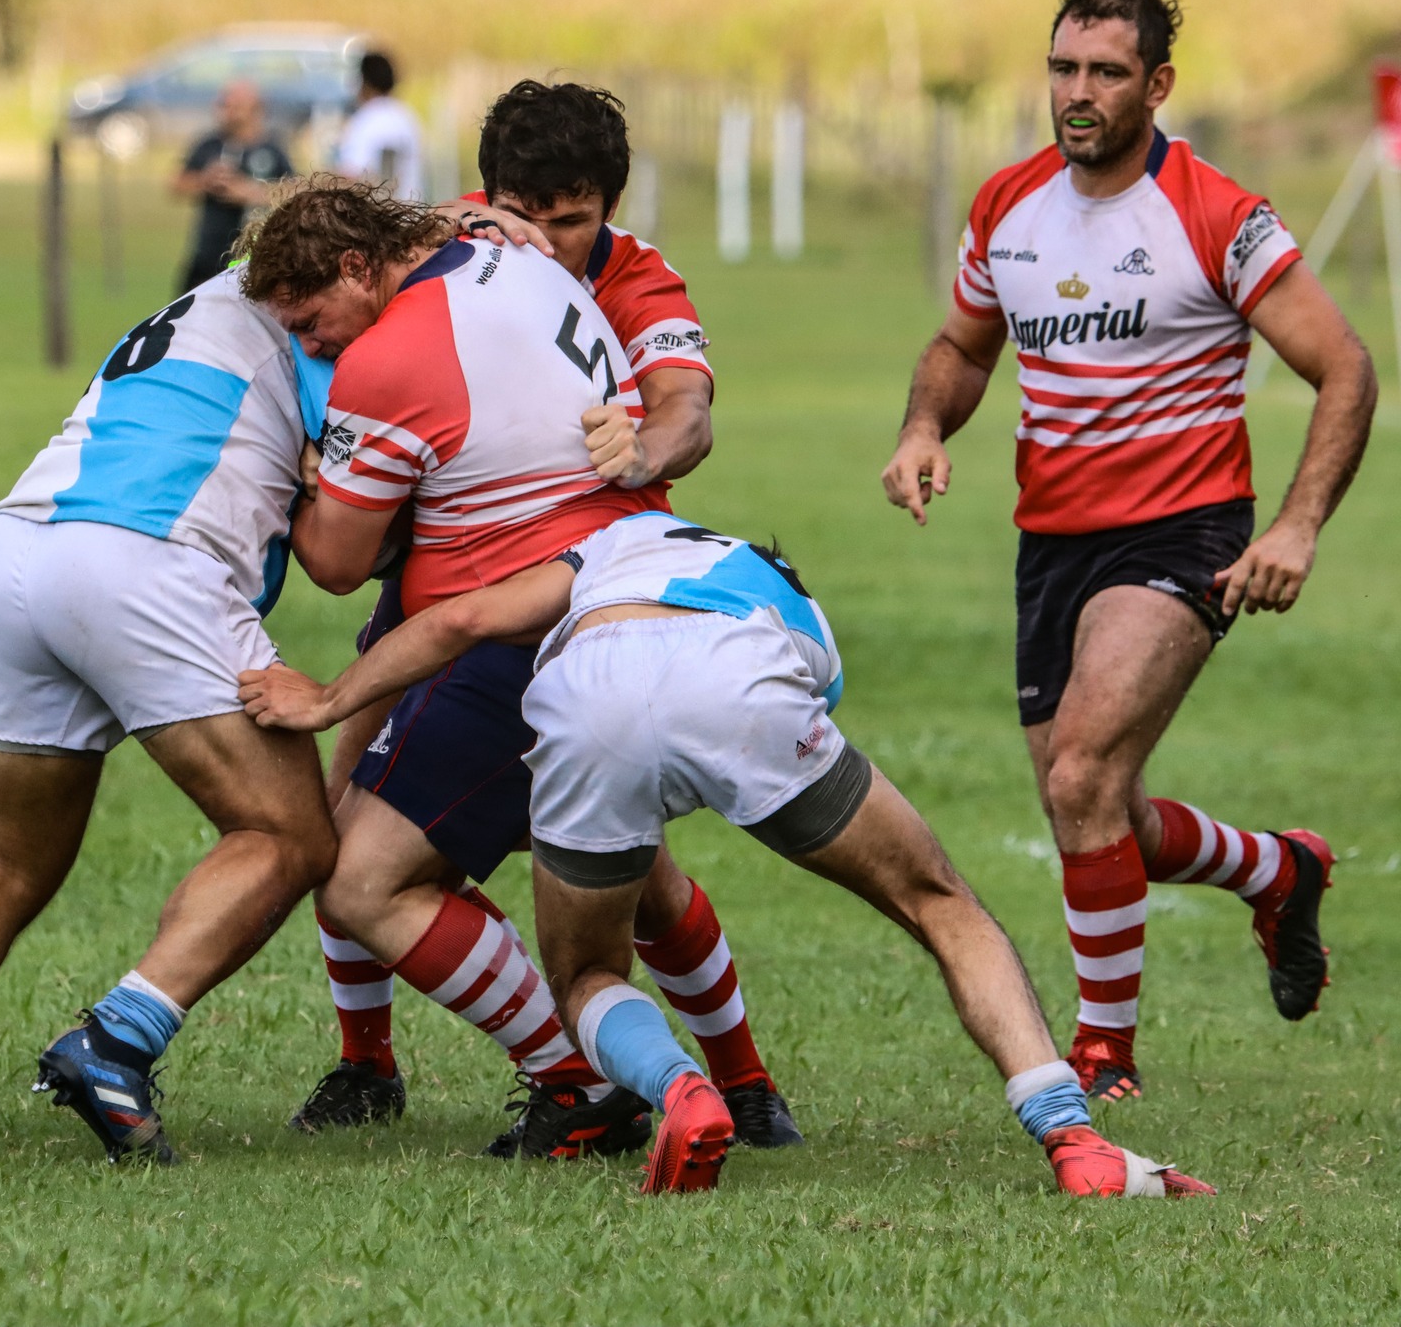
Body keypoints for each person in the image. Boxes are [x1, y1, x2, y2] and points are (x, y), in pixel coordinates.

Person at [239, 510, 1216, 1200]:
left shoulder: (611, 544)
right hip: (741, 677)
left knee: (583, 969)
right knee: (939, 904)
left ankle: (677, 1089)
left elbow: (462, 620)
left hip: (587, 691)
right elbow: (777, 728)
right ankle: (1069, 1137)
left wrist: (327, 700)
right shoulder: (797, 602)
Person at [880, 0, 1375, 1102]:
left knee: (1084, 777)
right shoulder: (1006, 205)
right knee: (1089, 807)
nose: (1078, 92)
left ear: (1155, 83)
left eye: (1105, 72)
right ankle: (1275, 867)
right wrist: (921, 425)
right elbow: (960, 349)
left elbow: (1341, 365)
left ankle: (1101, 1063)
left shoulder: (1216, 212)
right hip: (1049, 542)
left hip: (1184, 528)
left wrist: (1295, 526)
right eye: (1062, 68)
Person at [295, 85, 801, 1154]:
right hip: (440, 566)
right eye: (523, 206)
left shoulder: (635, 274)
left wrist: (643, 451)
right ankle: (364, 1063)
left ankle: (715, 1083)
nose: (546, 236)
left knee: (624, 873)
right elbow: (364, 278)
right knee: (333, 810)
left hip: (567, 589)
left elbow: (685, 410)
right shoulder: (459, 234)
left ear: (606, 209)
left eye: (569, 218)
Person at [0, 266, 338, 1165]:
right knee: (291, 832)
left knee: (12, 861)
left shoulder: (209, 297)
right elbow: (345, 541)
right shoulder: (334, 322)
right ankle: (117, 1041)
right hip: (147, 553)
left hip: (26, 544)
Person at [240, 179, 694, 1160]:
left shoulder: (389, 354)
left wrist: (306, 470)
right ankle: (729, 1086)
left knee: (358, 879)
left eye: (313, 324)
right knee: (629, 879)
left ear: (359, 269)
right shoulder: (504, 251)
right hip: (640, 582)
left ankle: (578, 1086)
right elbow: (439, 218)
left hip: (525, 630)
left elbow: (335, 563)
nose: (314, 350)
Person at [174, 80, 296, 293]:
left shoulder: (272, 149)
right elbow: (177, 183)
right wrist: (205, 181)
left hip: (254, 259)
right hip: (208, 256)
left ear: (255, 109)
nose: (227, 112)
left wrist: (248, 192)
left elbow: (294, 192)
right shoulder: (210, 145)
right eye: (224, 105)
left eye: (235, 106)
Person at [334, 51, 424, 200]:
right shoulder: (407, 117)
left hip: (375, 217)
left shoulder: (365, 120)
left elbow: (351, 175)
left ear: (363, 81)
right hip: (411, 212)